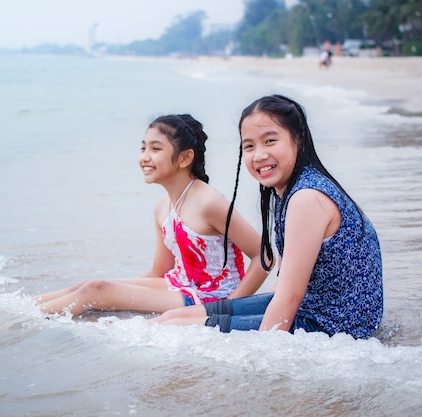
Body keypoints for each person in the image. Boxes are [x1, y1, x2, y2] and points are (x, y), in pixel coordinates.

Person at [153, 95, 384, 339]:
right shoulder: (293, 190)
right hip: (315, 309)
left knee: (175, 328)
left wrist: (261, 357)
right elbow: (284, 285)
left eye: (270, 141)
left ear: (299, 139)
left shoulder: (307, 198)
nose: (259, 155)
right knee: (174, 316)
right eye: (249, 146)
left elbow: (288, 299)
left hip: (336, 326)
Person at [34, 114, 269, 316]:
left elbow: (264, 256)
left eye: (155, 149)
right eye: (143, 147)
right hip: (177, 285)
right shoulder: (162, 206)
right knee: (88, 286)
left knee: (96, 290)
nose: (145, 156)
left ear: (185, 158)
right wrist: (123, 294)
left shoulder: (208, 203)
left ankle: (21, 321)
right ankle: (22, 308)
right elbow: (160, 270)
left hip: (210, 297)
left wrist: (228, 307)